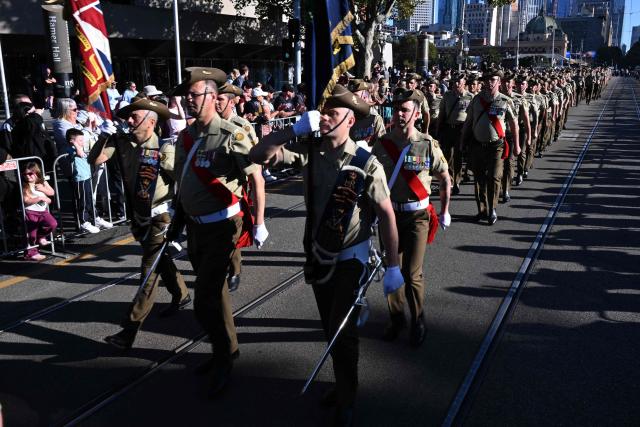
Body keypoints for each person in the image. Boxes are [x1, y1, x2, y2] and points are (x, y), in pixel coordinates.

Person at [250, 84, 403, 425]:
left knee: (341, 328)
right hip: (317, 253)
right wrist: (292, 129)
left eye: (332, 113)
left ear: (350, 120)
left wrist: (393, 267)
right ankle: (342, 382)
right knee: (329, 326)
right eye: (324, 112)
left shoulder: (367, 163)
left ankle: (347, 397)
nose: (325, 118)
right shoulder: (309, 150)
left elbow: (387, 214)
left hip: (351, 257)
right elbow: (258, 156)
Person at [169, 67, 257, 397]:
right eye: (186, 96)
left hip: (223, 226)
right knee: (215, 296)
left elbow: (255, 177)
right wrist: (178, 219)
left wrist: (258, 222)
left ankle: (224, 358)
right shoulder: (186, 136)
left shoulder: (231, 133)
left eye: (194, 95)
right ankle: (225, 351)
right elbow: (182, 180)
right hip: (195, 226)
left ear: (211, 96)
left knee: (205, 299)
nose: (188, 101)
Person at [89, 98, 191, 349]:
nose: (129, 121)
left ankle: (130, 329)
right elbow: (97, 159)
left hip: (160, 217)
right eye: (129, 117)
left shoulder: (165, 149)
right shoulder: (122, 142)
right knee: (157, 258)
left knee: (149, 270)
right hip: (138, 216)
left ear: (151, 122)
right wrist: (102, 137)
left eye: (135, 117)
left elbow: (185, 181)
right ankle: (181, 293)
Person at [372, 88, 451, 347]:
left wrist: (445, 210)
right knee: (392, 268)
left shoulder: (427, 144)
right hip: (390, 216)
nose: (399, 114)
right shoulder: (382, 144)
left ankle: (418, 320)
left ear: (417, 114)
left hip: (418, 216)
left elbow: (444, 177)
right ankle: (397, 319)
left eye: (405, 110)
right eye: (396, 109)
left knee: (412, 273)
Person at [215, 82, 269, 292]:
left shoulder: (241, 126)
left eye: (221, 100)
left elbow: (255, 155)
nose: (216, 103)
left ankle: (234, 270)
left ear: (232, 101)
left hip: (237, 186)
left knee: (231, 236)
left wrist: (260, 220)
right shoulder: (209, 125)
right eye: (215, 99)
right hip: (213, 188)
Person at [461, 68, 519, 225]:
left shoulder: (506, 101)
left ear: (499, 82)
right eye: (487, 80)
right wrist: (462, 141)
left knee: (494, 176)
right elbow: (468, 122)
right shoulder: (477, 100)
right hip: (477, 145)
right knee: (479, 179)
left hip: (497, 146)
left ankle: (492, 208)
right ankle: (482, 209)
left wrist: (517, 145)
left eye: (493, 80)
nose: (489, 83)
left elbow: (514, 124)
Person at [437, 73, 473, 195]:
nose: (456, 84)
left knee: (458, 155)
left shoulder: (470, 97)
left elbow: (473, 116)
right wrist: (438, 129)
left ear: (464, 83)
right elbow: (442, 113)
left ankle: (457, 181)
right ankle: (450, 180)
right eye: (454, 81)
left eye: (459, 82)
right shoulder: (447, 96)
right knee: (447, 155)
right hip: (448, 129)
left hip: (461, 129)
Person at [65, 129, 100, 233]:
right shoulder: (71, 149)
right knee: (83, 201)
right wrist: (75, 144)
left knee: (89, 199)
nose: (82, 142)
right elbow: (80, 154)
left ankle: (96, 218)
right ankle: (84, 221)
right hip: (80, 179)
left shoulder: (79, 148)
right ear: (72, 141)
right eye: (80, 140)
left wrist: (78, 143)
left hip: (87, 177)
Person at [21, 162, 57, 261]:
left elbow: (52, 193)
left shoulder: (42, 182)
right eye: (25, 174)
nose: (28, 177)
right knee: (31, 234)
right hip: (30, 211)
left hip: (43, 211)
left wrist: (43, 189)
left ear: (36, 173)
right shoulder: (25, 185)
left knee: (52, 224)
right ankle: (31, 253)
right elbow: (26, 201)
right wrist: (40, 198)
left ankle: (41, 237)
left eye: (30, 174)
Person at [347, 79, 386, 149]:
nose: (352, 100)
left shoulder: (375, 118)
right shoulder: (345, 117)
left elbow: (383, 146)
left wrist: (368, 149)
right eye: (350, 96)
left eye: (356, 96)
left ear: (364, 97)